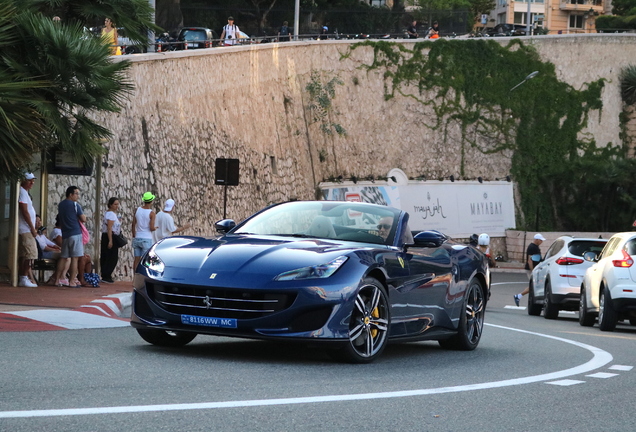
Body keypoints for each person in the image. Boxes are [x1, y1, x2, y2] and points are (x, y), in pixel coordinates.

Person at [54, 186, 86, 288]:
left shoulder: (61, 205)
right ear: (70, 194)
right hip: (75, 233)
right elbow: (83, 218)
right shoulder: (75, 205)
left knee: (63, 257)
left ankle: (57, 280)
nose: (78, 196)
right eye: (76, 194)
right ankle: (72, 281)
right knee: (75, 258)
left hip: (65, 234)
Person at [18, 173, 38, 287]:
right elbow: (24, 211)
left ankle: (23, 277)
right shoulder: (21, 192)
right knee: (30, 254)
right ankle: (24, 277)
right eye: (29, 180)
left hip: (27, 228)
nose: (32, 183)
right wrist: (32, 227)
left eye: (33, 181)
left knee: (26, 254)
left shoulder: (25, 193)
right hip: (25, 228)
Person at [514, 233, 546, 306]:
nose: (542, 242)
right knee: (533, 286)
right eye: (541, 240)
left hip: (534, 268)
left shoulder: (535, 247)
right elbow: (530, 260)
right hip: (531, 269)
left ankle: (518, 296)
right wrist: (533, 270)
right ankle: (518, 296)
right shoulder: (532, 247)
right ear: (537, 240)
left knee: (533, 286)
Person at [132, 192, 157, 271]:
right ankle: (143, 277)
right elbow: (151, 228)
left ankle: (135, 278)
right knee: (145, 260)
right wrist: (155, 228)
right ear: (151, 201)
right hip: (146, 238)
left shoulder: (137, 210)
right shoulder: (152, 213)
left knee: (136, 260)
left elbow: (133, 224)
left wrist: (134, 234)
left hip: (137, 237)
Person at [100, 197, 122, 283]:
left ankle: (107, 274)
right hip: (109, 236)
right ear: (110, 205)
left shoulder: (112, 214)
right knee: (111, 257)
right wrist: (110, 240)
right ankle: (106, 275)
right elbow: (109, 227)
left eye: (117, 204)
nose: (117, 206)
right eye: (115, 204)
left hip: (110, 235)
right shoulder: (111, 215)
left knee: (109, 256)